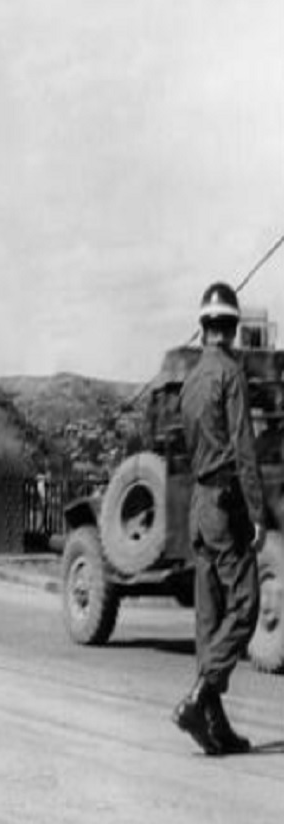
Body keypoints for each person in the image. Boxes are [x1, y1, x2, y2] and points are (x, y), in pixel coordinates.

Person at [174, 281, 264, 755]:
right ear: (231, 326)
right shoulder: (231, 373)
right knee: (247, 605)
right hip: (225, 504)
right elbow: (244, 450)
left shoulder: (190, 380)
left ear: (204, 324)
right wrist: (256, 514)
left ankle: (215, 727)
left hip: (197, 506)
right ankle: (201, 695)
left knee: (209, 619)